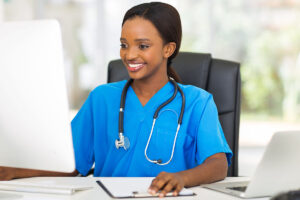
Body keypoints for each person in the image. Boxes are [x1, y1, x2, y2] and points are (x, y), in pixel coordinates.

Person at [0, 2, 232, 197]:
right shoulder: (102, 98)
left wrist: (182, 178)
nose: (129, 55)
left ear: (168, 49)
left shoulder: (197, 102)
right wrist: (14, 171)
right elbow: (71, 166)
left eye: (143, 46)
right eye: (124, 45)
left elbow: (218, 165)